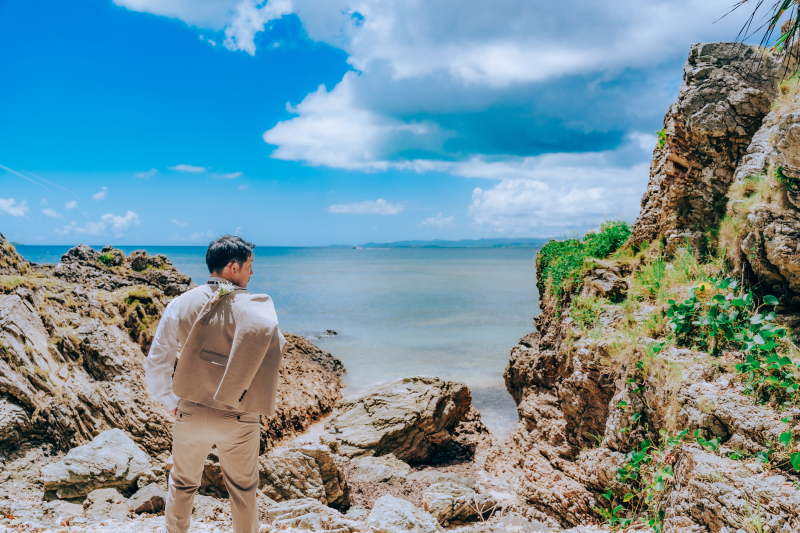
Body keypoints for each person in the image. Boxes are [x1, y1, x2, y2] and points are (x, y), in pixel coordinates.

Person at [145, 235, 286, 533]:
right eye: (250, 265)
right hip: (237, 414)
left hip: (190, 410)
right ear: (233, 268)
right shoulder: (253, 308)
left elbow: (158, 362)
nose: (252, 272)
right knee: (243, 491)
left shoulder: (180, 303)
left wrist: (171, 402)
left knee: (182, 484)